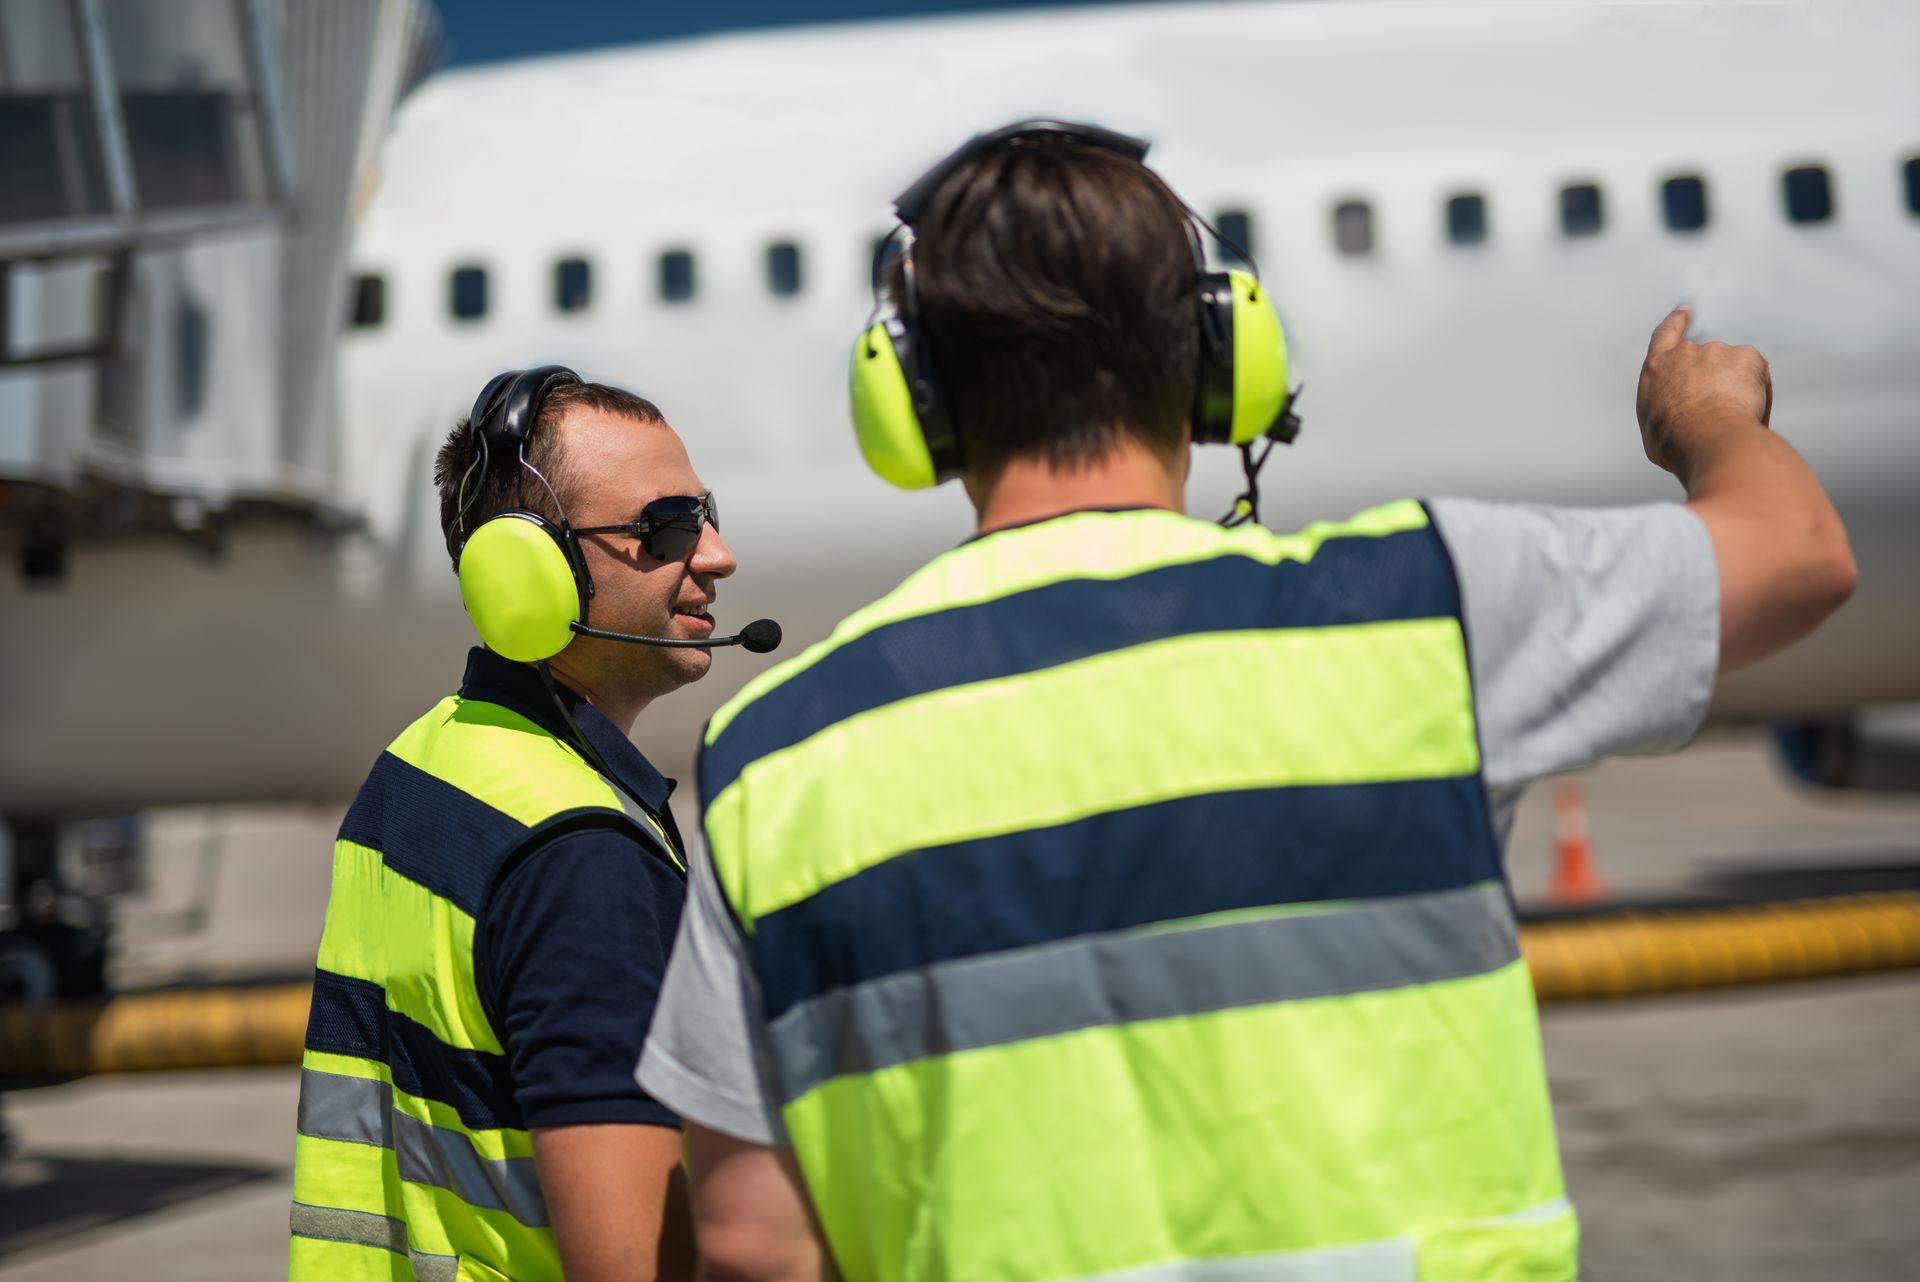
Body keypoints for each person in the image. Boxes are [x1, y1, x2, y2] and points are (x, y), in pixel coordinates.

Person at [636, 123, 1855, 1282]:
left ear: (908, 403)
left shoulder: (777, 751)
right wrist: (1706, 419)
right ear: (1227, 362)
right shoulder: (1423, 607)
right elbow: (1796, 553)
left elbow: (754, 1245)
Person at [291, 368, 746, 1282]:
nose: (719, 555)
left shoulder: (423, 764)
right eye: (667, 528)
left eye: (707, 513)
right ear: (528, 571)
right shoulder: (579, 856)